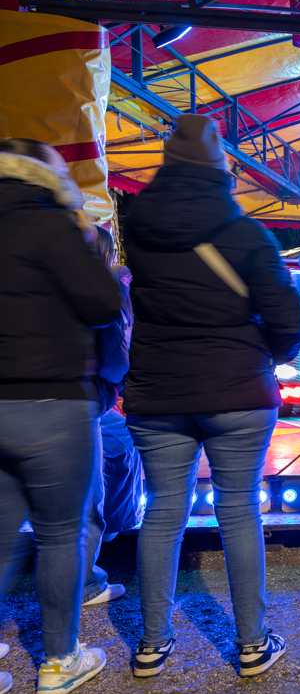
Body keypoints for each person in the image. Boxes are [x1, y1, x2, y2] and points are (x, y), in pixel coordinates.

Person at [123, 115, 300, 678]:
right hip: (237, 389)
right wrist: (269, 353)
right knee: (238, 510)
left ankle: (152, 644)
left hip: (157, 390)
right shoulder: (247, 235)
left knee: (162, 513)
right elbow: (287, 317)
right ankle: (252, 645)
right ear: (221, 169)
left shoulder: (138, 229)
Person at [0, 138, 122, 694]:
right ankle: (59, 660)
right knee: (60, 534)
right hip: (52, 401)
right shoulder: (51, 224)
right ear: (44, 175)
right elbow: (102, 304)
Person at [80, 227, 142, 608]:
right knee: (89, 494)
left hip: (47, 395)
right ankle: (87, 579)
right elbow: (118, 356)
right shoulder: (104, 288)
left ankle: (111, 529)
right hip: (83, 398)